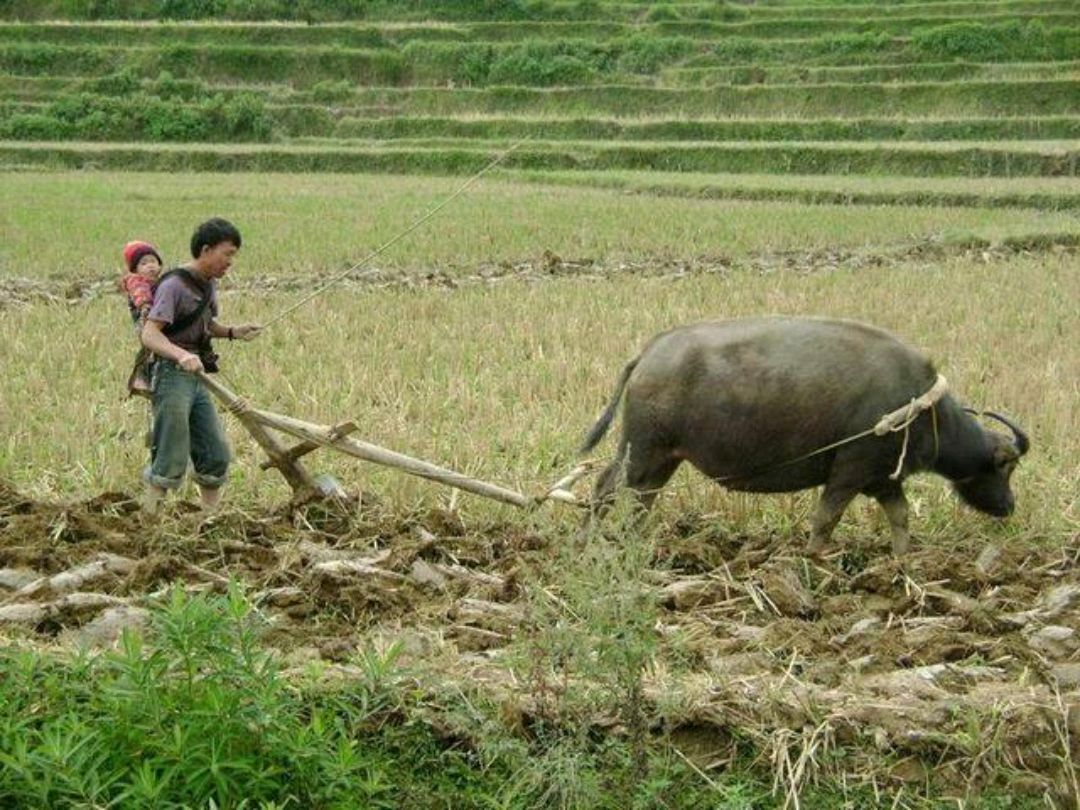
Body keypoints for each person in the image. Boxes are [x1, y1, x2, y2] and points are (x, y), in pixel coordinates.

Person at [139, 217, 261, 514]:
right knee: (170, 450)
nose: (230, 262)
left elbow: (205, 325)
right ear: (206, 250)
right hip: (172, 375)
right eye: (227, 253)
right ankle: (149, 521)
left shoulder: (208, 285)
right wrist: (180, 355)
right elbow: (150, 334)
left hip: (197, 376)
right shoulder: (174, 285)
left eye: (233, 255)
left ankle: (209, 519)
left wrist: (233, 331)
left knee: (215, 450)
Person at [120, 240, 163, 397]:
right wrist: (145, 306)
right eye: (144, 263)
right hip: (144, 318)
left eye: (153, 261)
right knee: (150, 348)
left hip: (155, 318)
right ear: (135, 269)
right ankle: (139, 379)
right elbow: (140, 293)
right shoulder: (136, 280)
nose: (150, 265)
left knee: (155, 351)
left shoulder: (160, 282)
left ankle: (148, 380)